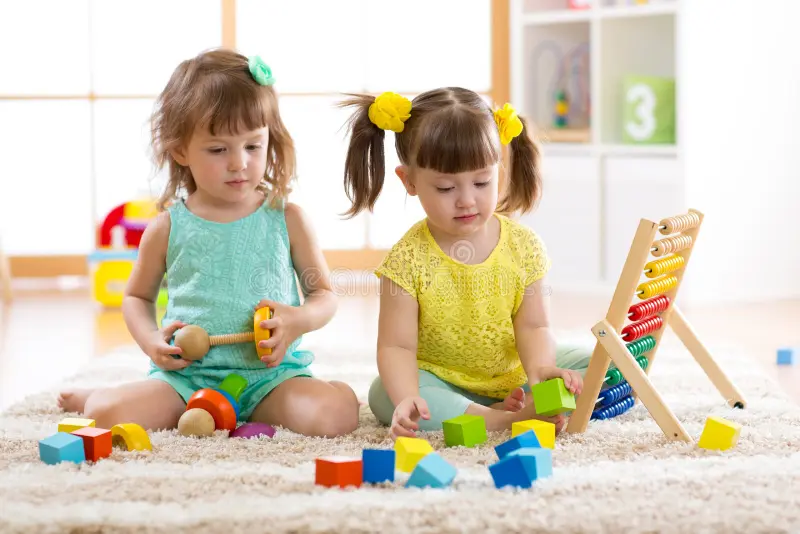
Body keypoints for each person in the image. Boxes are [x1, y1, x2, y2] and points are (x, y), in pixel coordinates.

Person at [58, 49, 359, 438]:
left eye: (253, 146)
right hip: (188, 380)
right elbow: (137, 298)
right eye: (218, 149)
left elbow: (325, 295)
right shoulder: (167, 227)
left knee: (335, 417)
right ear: (181, 149)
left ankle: (325, 393)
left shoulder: (288, 219)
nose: (239, 163)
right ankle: (95, 395)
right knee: (103, 414)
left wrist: (297, 318)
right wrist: (151, 341)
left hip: (271, 379)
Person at [339, 88, 592, 440]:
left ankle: (518, 402)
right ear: (409, 180)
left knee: (599, 364)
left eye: (481, 182)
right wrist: (408, 395)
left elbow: (535, 326)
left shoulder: (524, 246)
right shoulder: (407, 261)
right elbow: (397, 347)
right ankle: (500, 420)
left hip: (515, 373)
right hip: (442, 380)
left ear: (498, 169)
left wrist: (541, 369)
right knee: (385, 394)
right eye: (445, 188)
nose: (466, 200)